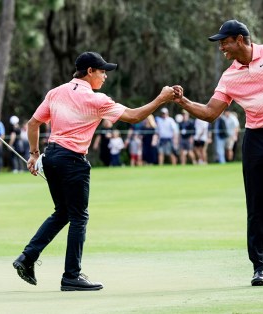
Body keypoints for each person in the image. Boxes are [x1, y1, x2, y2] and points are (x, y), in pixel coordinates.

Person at [13, 51, 176, 291]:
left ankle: (27, 258)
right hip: (72, 160)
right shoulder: (96, 100)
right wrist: (161, 98)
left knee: (62, 213)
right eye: (102, 72)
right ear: (89, 72)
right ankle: (71, 276)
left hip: (52, 157)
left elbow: (33, 123)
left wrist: (34, 154)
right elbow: (133, 116)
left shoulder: (56, 92)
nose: (105, 77)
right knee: (79, 217)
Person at [172, 19, 263, 286]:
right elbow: (210, 113)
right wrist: (183, 102)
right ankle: (260, 267)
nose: (221, 48)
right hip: (255, 140)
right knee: (256, 205)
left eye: (224, 42)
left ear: (240, 39)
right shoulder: (230, 76)